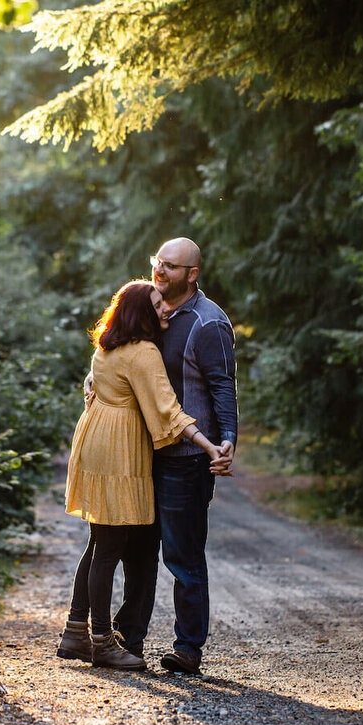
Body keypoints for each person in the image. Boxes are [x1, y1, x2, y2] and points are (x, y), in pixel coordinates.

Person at [58, 280, 226, 671]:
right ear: (141, 313)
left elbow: (97, 383)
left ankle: (75, 632)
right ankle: (102, 641)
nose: (165, 307)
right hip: (119, 449)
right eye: (157, 304)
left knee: (99, 539)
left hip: (95, 437)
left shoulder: (107, 345)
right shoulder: (143, 351)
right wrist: (209, 445)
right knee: (111, 545)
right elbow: (168, 409)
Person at [113, 237, 238, 675]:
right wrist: (93, 383)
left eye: (171, 266)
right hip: (140, 453)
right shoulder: (149, 310)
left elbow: (223, 386)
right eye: (157, 263)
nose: (160, 271)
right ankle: (128, 640)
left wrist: (227, 441)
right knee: (138, 553)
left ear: (193, 274)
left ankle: (188, 648)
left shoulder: (209, 323)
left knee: (182, 556)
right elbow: (118, 358)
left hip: (186, 456)